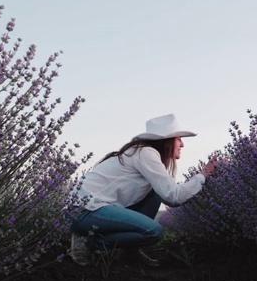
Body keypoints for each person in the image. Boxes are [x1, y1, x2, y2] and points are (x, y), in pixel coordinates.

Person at [66, 113, 220, 267]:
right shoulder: (146, 153)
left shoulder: (144, 153)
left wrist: (202, 177)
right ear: (166, 140)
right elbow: (175, 196)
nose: (182, 144)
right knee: (153, 231)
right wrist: (204, 174)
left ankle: (130, 253)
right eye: (179, 138)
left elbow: (168, 196)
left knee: (155, 193)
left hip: (95, 209)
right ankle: (88, 242)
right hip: (82, 211)